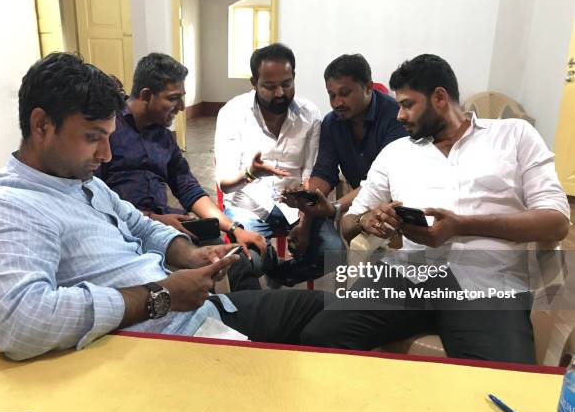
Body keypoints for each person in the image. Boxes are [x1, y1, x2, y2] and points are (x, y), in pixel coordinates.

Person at [0, 53, 325, 361]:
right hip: (161, 338)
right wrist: (162, 296)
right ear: (42, 125)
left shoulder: (84, 183)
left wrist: (189, 255)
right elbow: (22, 323)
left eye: (108, 137)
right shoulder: (1, 207)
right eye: (93, 138)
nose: (105, 154)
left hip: (195, 313)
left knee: (339, 309)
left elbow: (141, 226)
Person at [300, 54, 570, 363]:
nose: (399, 115)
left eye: (407, 104)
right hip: (407, 275)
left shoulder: (514, 136)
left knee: (504, 381)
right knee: (318, 338)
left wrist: (461, 226)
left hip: (487, 282)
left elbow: (556, 221)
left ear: (439, 98)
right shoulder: (396, 153)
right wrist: (367, 219)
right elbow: (347, 223)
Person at [96, 53, 267, 291]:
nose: (182, 107)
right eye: (174, 99)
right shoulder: (107, 131)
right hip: (124, 232)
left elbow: (189, 189)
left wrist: (234, 228)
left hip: (173, 226)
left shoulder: (164, 139)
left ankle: (244, 322)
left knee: (239, 261)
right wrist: (151, 219)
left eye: (182, 98)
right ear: (146, 95)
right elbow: (97, 202)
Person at [214, 43, 343, 287]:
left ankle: (278, 273)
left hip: (296, 208)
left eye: (286, 84)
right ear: (254, 82)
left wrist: (305, 225)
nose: (280, 93)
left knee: (333, 252)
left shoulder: (310, 114)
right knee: (246, 263)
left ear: (294, 77)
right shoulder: (232, 113)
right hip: (248, 208)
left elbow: (310, 175)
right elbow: (226, 184)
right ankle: (252, 318)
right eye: (270, 87)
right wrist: (251, 173)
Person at [282, 54, 406, 263]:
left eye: (345, 93)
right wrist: (307, 200)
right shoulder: (332, 123)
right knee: (323, 248)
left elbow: (384, 183)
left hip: (393, 204)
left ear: (368, 87)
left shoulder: (395, 116)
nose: (337, 102)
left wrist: (336, 207)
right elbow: (324, 172)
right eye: (331, 95)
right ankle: (280, 276)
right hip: (357, 205)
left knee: (344, 249)